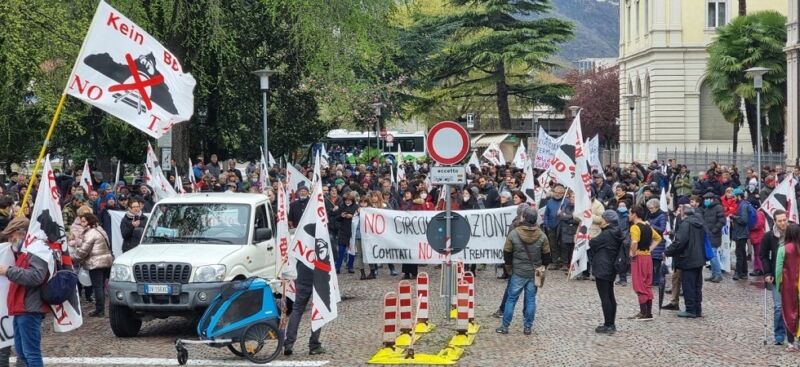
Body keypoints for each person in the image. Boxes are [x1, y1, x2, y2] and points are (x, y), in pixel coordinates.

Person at [0, 216, 48, 367]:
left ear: (22, 233)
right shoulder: (25, 251)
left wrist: (9, 270)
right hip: (21, 308)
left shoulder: (36, 249)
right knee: (22, 352)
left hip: (29, 307)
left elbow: (37, 276)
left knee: (31, 354)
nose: (10, 239)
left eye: (12, 235)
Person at [496, 208, 551, 335]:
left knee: (511, 299)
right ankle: (527, 327)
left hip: (518, 272)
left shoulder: (514, 233)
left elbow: (507, 253)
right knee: (531, 299)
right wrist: (542, 267)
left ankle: (505, 326)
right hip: (533, 272)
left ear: (524, 218)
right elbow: (547, 256)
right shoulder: (542, 236)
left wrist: (509, 269)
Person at [664, 205, 706, 318]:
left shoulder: (685, 224)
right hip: (699, 258)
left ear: (683, 214)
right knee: (697, 286)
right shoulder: (700, 224)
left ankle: (690, 309)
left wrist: (667, 252)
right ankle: (697, 309)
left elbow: (679, 242)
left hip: (688, 259)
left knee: (689, 285)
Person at [72, 213, 113, 317]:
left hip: (96, 262)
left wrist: (73, 258)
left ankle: (100, 310)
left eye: (84, 221)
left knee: (98, 287)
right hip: (106, 260)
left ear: (89, 221)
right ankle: (101, 308)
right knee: (102, 287)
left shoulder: (91, 233)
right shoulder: (100, 229)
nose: (82, 223)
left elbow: (83, 250)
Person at [590, 210, 623, 334]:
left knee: (605, 297)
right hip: (610, 267)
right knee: (610, 295)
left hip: (603, 267)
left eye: (603, 218)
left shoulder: (607, 233)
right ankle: (611, 323)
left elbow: (593, 242)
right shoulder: (616, 231)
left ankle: (608, 324)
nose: (601, 220)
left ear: (607, 221)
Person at [627, 205, 662, 321]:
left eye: (629, 213)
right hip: (648, 257)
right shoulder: (648, 226)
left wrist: (633, 252)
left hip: (639, 257)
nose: (628, 215)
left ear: (634, 214)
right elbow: (658, 238)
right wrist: (650, 249)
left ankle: (643, 313)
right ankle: (648, 313)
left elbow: (634, 242)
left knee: (639, 284)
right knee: (647, 283)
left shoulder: (635, 227)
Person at [762, 209, 790, 345]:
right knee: (779, 306)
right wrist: (767, 273)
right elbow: (763, 256)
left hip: (792, 275)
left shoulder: (794, 233)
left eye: (785, 220)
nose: (783, 223)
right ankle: (779, 334)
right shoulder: (769, 236)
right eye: (780, 221)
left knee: (793, 306)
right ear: (775, 221)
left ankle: (793, 332)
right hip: (776, 275)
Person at [776, 223, 800, 351]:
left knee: (789, 312)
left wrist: (779, 283)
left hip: (788, 284)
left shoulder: (783, 249)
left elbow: (779, 269)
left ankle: (791, 342)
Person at [700, 192, 725, 283]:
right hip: (708, 235)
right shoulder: (707, 208)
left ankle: (718, 274)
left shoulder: (718, 207)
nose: (705, 201)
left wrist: (714, 230)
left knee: (713, 256)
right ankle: (714, 274)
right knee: (711, 256)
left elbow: (722, 221)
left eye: (707, 199)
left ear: (711, 199)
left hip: (714, 235)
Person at [729, 188, 751, 280]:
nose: (733, 198)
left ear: (738, 196)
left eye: (734, 196)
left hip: (741, 234)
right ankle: (744, 272)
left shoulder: (743, 205)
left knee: (739, 253)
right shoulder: (742, 204)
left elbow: (744, 220)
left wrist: (733, 217)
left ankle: (738, 272)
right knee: (741, 252)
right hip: (741, 233)